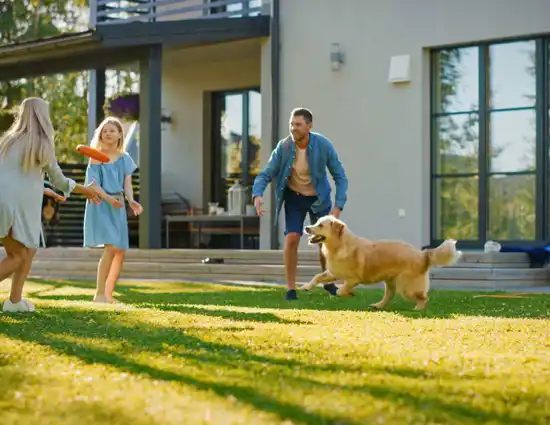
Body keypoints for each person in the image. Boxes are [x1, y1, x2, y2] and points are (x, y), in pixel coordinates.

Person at [0, 97, 101, 312]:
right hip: (13, 206)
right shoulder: (41, 143)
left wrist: (44, 190)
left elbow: (15, 178)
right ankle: (14, 301)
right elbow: (60, 180)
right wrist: (87, 190)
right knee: (18, 257)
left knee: (29, 249)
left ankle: (15, 302)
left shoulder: (7, 141)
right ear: (42, 117)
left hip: (5, 203)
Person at [252, 107, 348, 300]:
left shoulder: (323, 145)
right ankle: (290, 288)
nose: (293, 128)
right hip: (294, 198)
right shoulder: (284, 147)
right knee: (292, 238)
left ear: (309, 126)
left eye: (298, 125)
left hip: (319, 199)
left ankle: (328, 282)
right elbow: (266, 173)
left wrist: (338, 206)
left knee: (325, 243)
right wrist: (257, 193)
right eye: (291, 124)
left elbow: (340, 177)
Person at [83, 117, 143, 304]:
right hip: (101, 203)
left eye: (112, 130)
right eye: (104, 130)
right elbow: (93, 185)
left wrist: (131, 200)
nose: (107, 133)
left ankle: (108, 294)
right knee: (112, 247)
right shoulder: (95, 156)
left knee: (120, 250)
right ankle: (99, 294)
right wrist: (110, 199)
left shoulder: (125, 158)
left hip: (117, 204)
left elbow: (127, 183)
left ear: (119, 135)